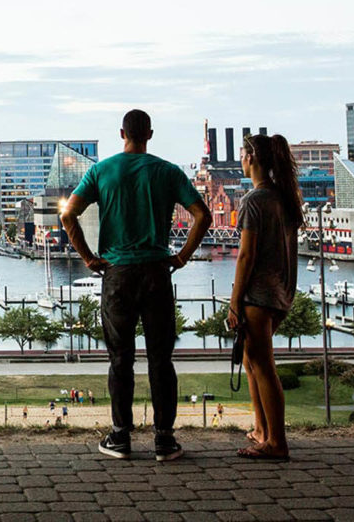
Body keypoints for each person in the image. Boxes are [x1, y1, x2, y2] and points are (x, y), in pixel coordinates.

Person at [61, 109, 212, 462]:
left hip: (117, 274)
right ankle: (164, 440)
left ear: (121, 133)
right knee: (161, 359)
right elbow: (203, 216)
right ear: (150, 135)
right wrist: (182, 257)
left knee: (120, 359)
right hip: (157, 272)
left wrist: (89, 258)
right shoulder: (168, 171)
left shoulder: (101, 171)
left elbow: (68, 215)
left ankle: (120, 436)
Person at [229, 133, 301, 462]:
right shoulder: (284, 198)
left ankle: (276, 442)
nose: (241, 160)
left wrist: (234, 301)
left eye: (243, 154)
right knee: (251, 361)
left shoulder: (254, 200)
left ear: (251, 158)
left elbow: (246, 256)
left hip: (258, 294)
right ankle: (262, 430)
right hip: (281, 292)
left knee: (263, 366)